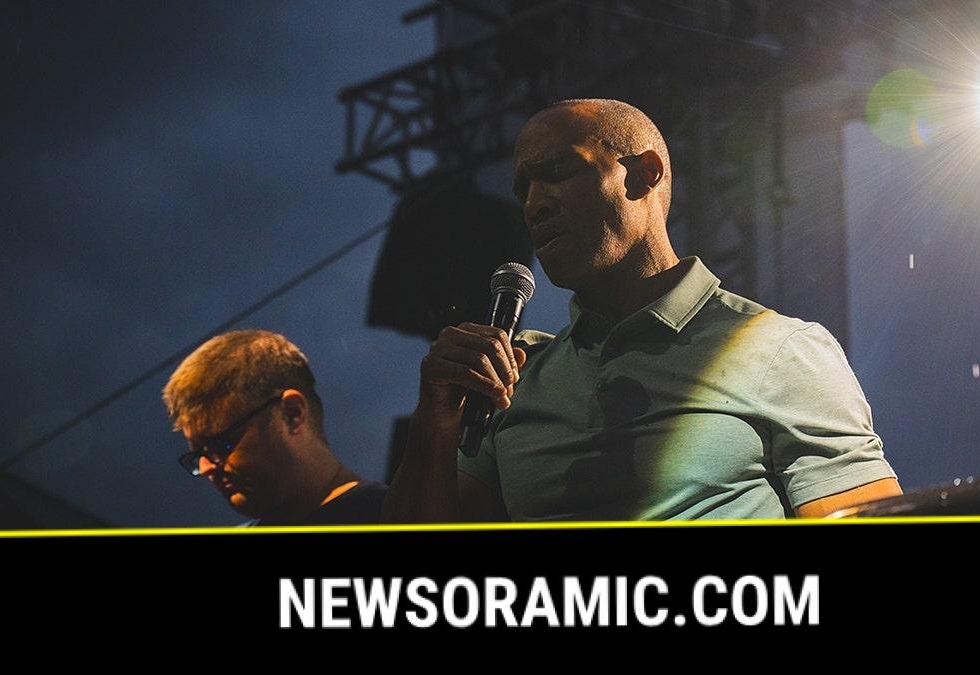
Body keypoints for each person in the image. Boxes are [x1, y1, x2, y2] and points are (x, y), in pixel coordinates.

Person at [384, 98, 900, 522]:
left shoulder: (780, 349)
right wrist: (434, 425)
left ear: (643, 175)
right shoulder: (513, 380)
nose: (533, 204)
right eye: (524, 189)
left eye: (558, 172)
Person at [163, 329, 385, 525]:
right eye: (199, 454)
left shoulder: (398, 517)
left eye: (222, 444)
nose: (206, 468)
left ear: (292, 413)